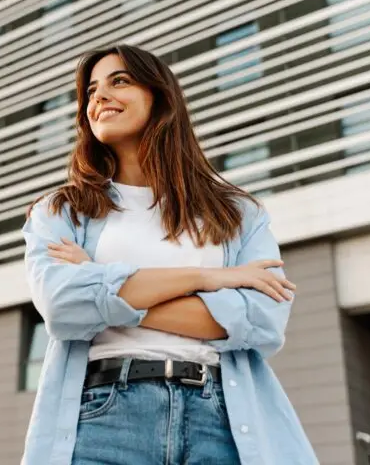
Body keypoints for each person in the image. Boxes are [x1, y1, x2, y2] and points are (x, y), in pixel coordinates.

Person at [20, 44, 317, 465]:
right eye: (90, 90)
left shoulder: (237, 213)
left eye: (118, 81)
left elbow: (261, 321)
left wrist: (105, 286)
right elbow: (63, 305)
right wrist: (208, 279)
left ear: (159, 96)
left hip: (220, 419)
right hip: (106, 416)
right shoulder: (62, 210)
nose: (98, 97)